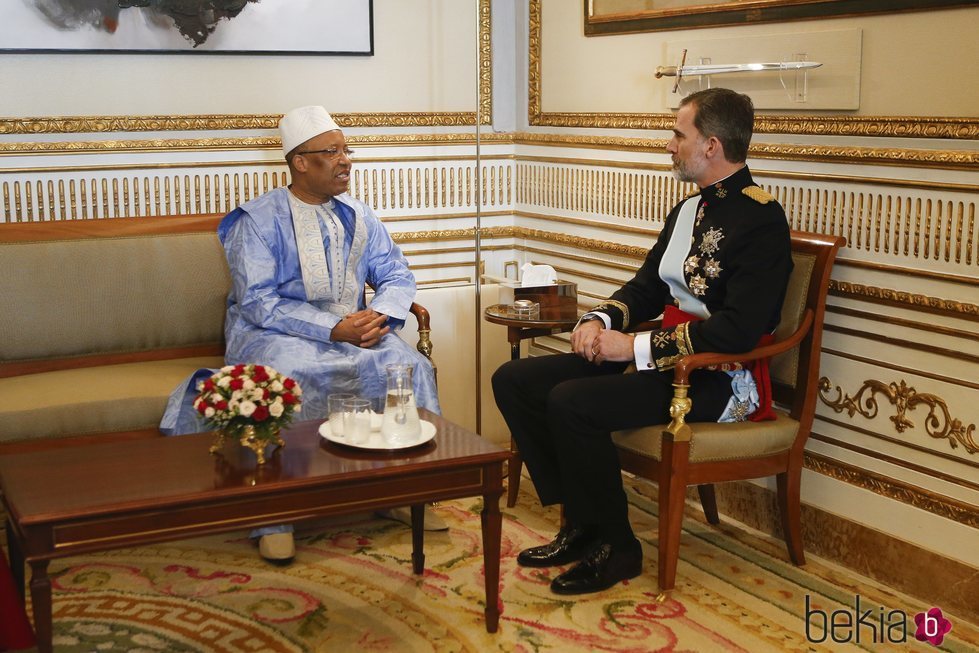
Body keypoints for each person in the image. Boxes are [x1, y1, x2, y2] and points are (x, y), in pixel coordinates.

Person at [492, 88, 792, 595]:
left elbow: (739, 329)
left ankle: (618, 548)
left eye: (679, 135)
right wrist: (599, 319)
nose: (670, 145)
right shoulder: (686, 209)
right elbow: (648, 286)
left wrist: (632, 350)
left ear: (712, 146)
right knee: (516, 380)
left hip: (719, 378)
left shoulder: (761, 219)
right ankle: (585, 527)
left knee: (572, 402)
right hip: (664, 359)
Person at [161, 106, 442, 563]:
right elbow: (257, 300)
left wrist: (380, 316)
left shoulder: (361, 215)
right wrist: (333, 328)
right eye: (332, 152)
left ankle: (405, 495)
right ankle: (276, 513)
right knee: (289, 373)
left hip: (357, 328)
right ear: (300, 162)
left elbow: (395, 273)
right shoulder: (257, 219)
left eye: (346, 149)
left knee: (408, 366)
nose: (346, 160)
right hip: (272, 331)